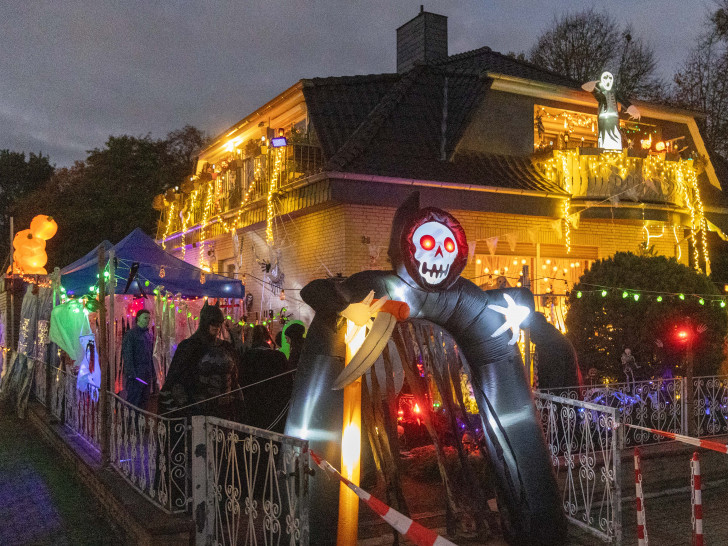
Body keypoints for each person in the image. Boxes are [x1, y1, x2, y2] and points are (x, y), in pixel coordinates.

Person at [159, 303, 243, 420]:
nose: (216, 327)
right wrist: (187, 407)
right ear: (205, 323)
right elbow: (176, 380)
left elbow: (234, 376)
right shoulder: (189, 347)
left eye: (219, 324)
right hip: (200, 409)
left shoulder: (226, 347)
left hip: (226, 409)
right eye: (212, 323)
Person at [239, 325, 292, 432]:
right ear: (268, 338)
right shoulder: (278, 356)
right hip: (274, 408)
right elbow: (288, 383)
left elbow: (241, 381)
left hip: (253, 407)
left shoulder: (246, 357)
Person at [121, 309, 155, 410]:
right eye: (145, 318)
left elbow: (150, 355)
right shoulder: (131, 335)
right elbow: (128, 355)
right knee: (134, 401)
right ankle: (130, 423)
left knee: (144, 401)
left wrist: (152, 373)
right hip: (136, 376)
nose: (147, 320)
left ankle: (140, 423)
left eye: (148, 318)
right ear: (138, 319)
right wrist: (132, 374)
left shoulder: (147, 335)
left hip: (146, 374)